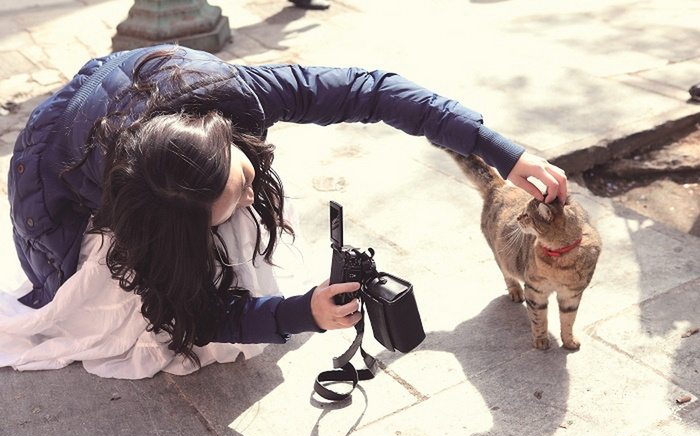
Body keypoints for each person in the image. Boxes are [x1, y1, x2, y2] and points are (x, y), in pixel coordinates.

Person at [1, 44, 567, 378]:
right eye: (227, 207)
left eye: (243, 180)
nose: (252, 199)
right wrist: (300, 313)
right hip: (49, 194)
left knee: (233, 224)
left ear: (218, 135)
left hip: (135, 111)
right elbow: (194, 314)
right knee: (132, 313)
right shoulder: (136, 213)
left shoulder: (227, 90)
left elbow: (373, 90)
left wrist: (500, 150)